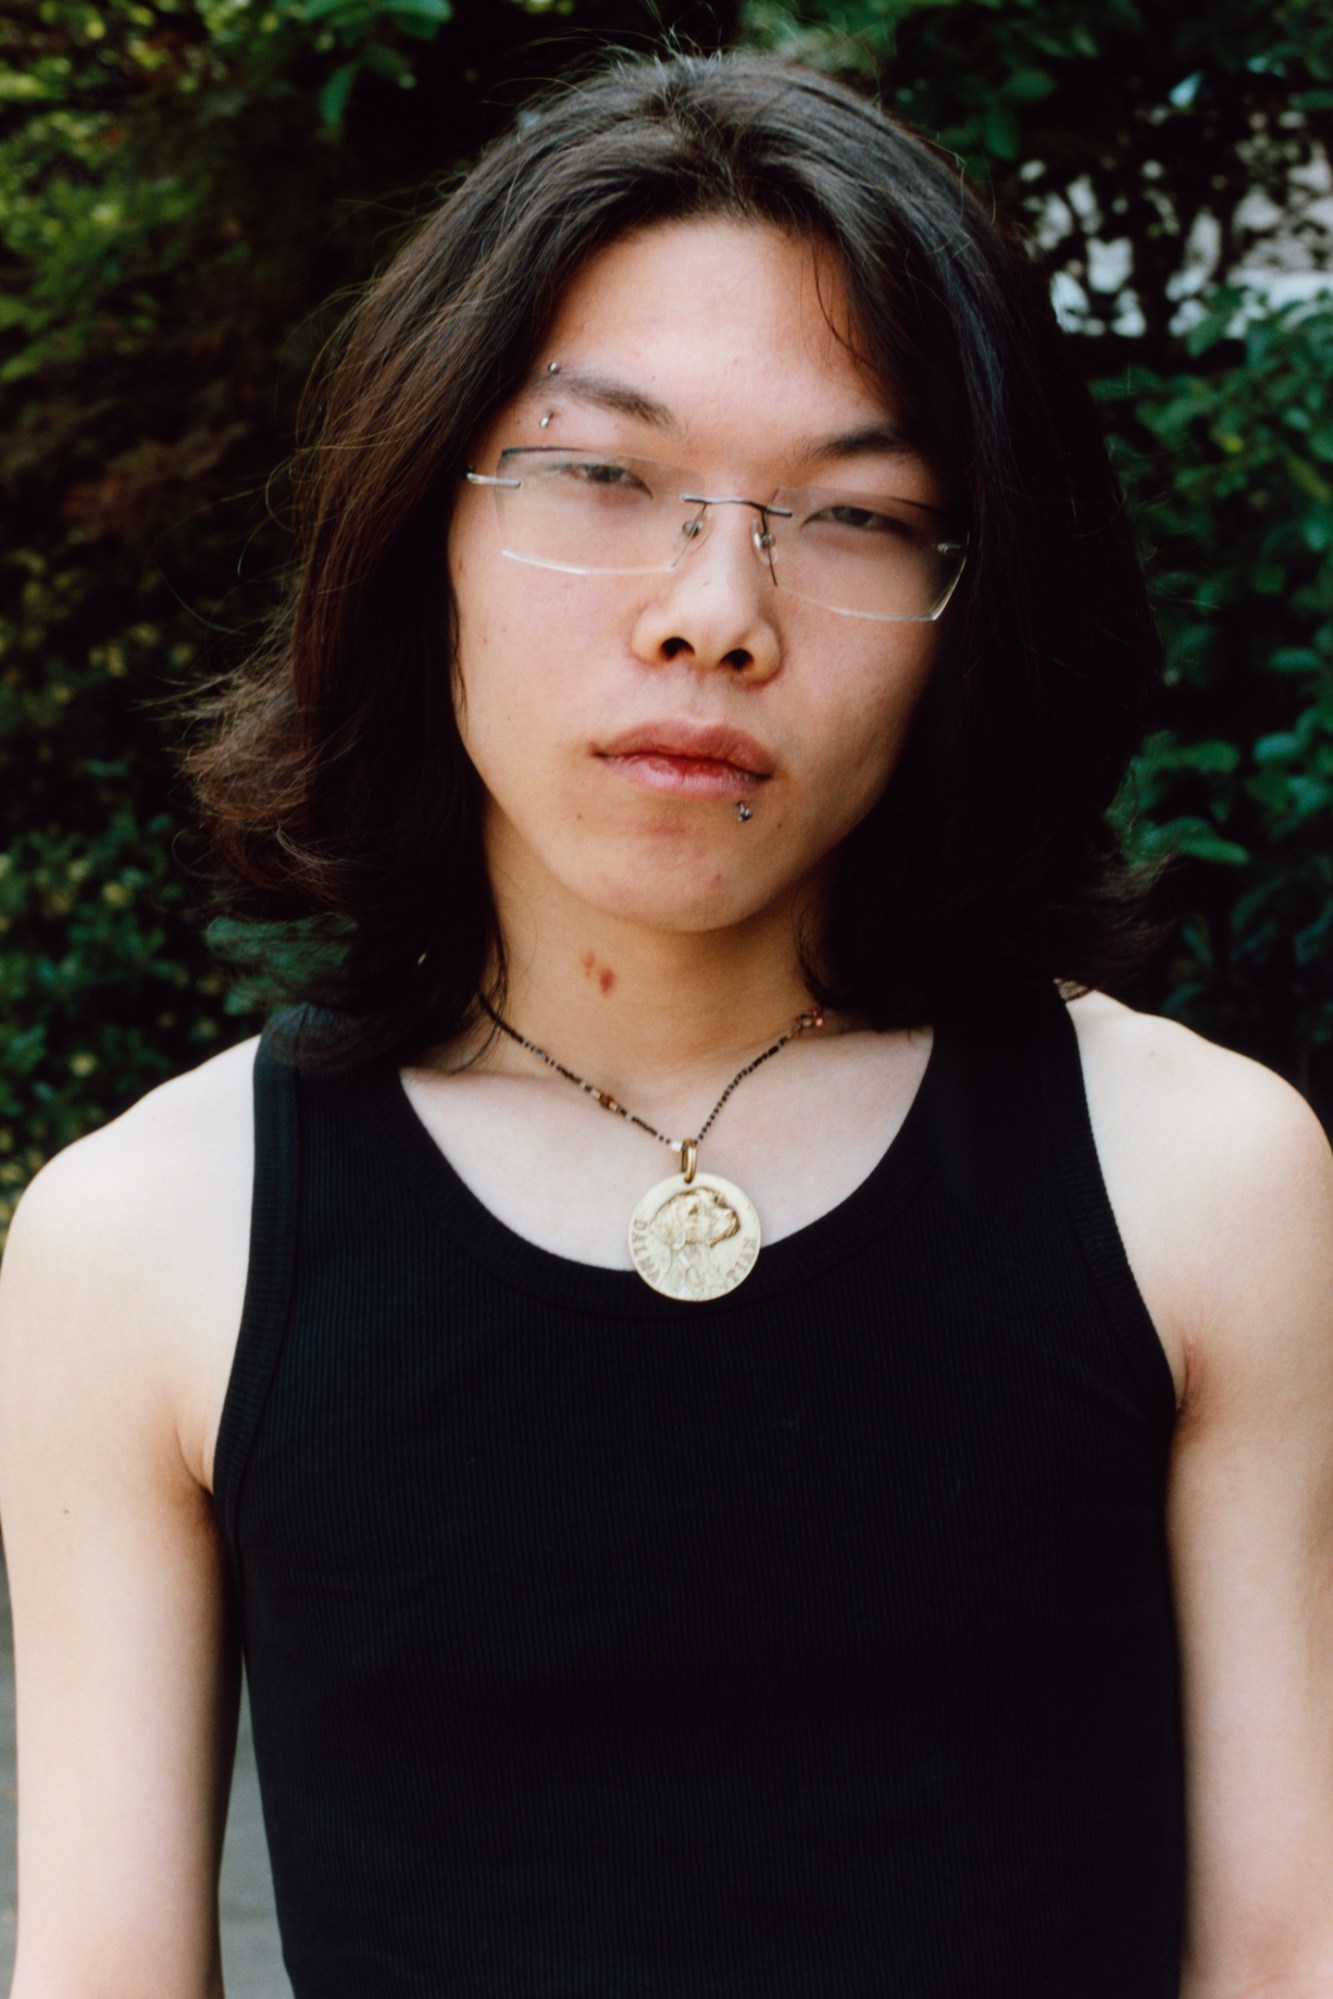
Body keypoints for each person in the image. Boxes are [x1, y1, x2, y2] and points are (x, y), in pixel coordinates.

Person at [1, 47, 1331, 1999]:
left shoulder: (1197, 1174)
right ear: (418, 526)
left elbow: (1289, 1939)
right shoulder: (151, 1237)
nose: (717, 611)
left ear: (975, 595)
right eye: (603, 476)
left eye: (858, 516)